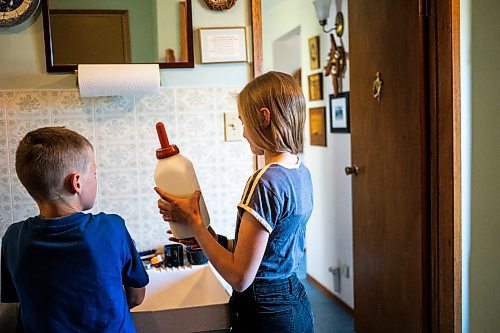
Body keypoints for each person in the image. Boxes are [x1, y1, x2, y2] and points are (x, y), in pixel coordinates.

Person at [155, 71, 315, 332]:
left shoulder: (264, 181)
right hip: (293, 302)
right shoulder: (300, 171)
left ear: (263, 117)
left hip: (264, 311)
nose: (242, 132)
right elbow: (268, 250)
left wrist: (195, 225)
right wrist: (209, 239)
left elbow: (241, 277)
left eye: (243, 121)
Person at [1, 127, 149, 333]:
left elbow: (16, 299)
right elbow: (136, 296)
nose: (96, 179)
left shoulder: (12, 238)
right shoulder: (112, 228)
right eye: (94, 173)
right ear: (76, 182)